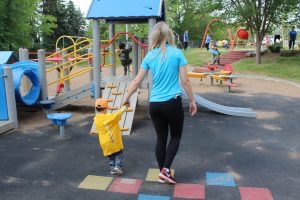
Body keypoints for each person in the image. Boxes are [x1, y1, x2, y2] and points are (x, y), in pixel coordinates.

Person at [122, 21, 197, 184]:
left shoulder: (150, 56)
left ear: (154, 37)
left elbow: (136, 81)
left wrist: (126, 97)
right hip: (172, 102)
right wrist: (192, 100)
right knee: (175, 136)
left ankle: (163, 171)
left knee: (161, 138)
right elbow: (186, 81)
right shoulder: (177, 53)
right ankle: (166, 170)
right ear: (169, 35)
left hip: (154, 104)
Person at [91, 98, 127, 175]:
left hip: (104, 143)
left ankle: (112, 169)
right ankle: (117, 166)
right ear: (105, 109)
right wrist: (124, 107)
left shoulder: (96, 119)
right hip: (113, 140)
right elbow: (118, 114)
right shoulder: (109, 117)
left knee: (110, 155)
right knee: (118, 152)